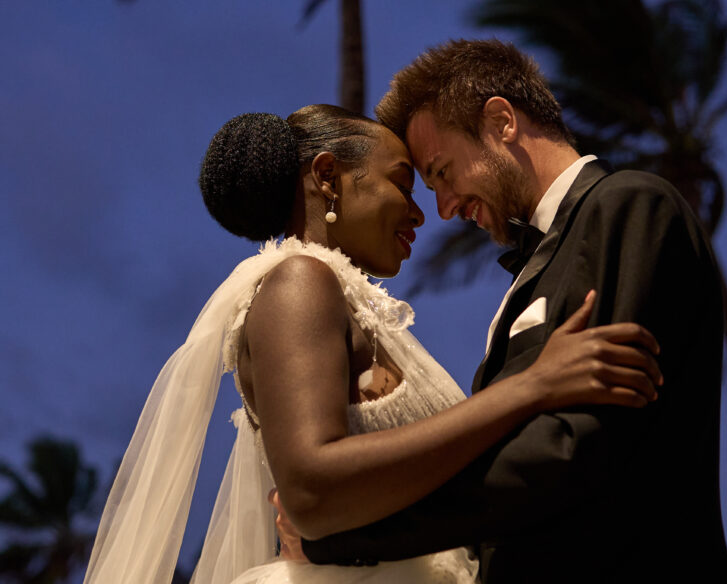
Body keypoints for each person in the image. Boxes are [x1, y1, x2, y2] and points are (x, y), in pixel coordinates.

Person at [82, 104, 663, 584]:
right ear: (328, 176)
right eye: (403, 184)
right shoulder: (298, 282)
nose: (420, 213)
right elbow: (310, 487)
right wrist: (534, 386)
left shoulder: (350, 302)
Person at [300, 40, 727, 582]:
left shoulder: (630, 205)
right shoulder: (541, 261)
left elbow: (577, 446)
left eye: (442, 171)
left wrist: (349, 532)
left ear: (502, 120)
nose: (445, 208)